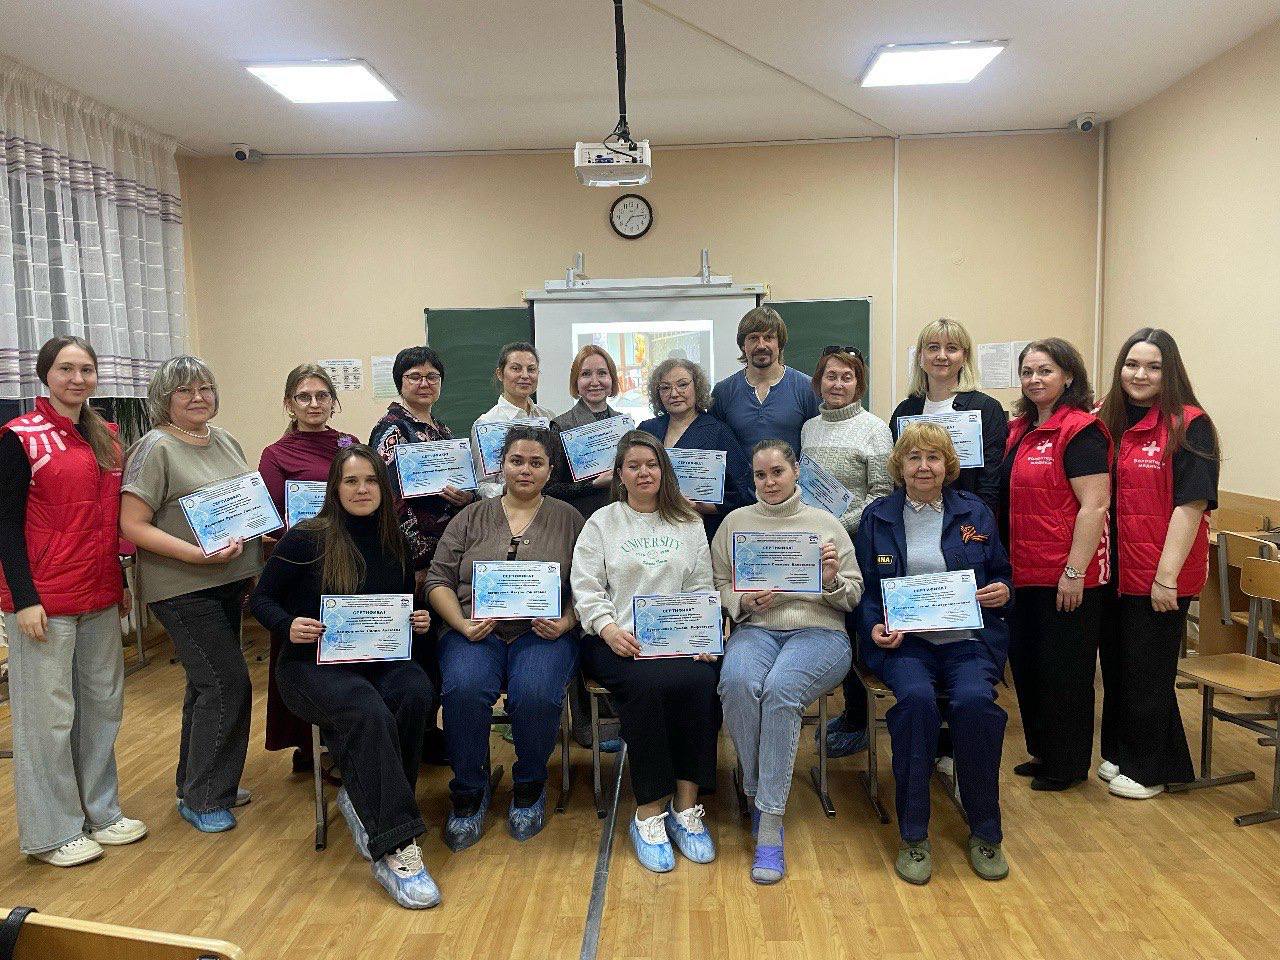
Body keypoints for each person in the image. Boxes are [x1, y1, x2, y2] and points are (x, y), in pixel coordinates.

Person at [249, 445, 441, 909]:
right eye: (351, 481)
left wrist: (417, 620)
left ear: (384, 488)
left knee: (416, 692)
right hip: (310, 666)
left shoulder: (396, 542)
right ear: (335, 488)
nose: (361, 490)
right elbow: (261, 599)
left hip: (379, 660)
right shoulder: (306, 538)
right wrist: (286, 625)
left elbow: (396, 609)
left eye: (371, 481)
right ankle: (396, 848)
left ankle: (368, 801)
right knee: (365, 707)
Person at [0, 336, 146, 867]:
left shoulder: (106, 436)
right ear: (45, 375)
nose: (77, 378)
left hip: (99, 592)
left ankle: (100, 813)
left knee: (102, 708)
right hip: (43, 600)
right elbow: (5, 524)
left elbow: (107, 520)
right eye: (65, 369)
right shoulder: (19, 437)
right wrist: (23, 598)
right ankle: (52, 832)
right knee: (48, 719)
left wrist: (119, 583)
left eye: (86, 369)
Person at [854, 423, 1013, 884]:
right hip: (907, 646)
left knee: (975, 704)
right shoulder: (878, 517)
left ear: (948, 465)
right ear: (899, 466)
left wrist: (1003, 590)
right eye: (914, 458)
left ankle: (985, 831)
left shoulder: (974, 513)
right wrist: (873, 626)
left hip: (967, 641)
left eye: (933, 458)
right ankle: (914, 835)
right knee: (917, 703)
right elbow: (866, 592)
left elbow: (1002, 573)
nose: (923, 467)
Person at [120, 356, 263, 832]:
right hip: (182, 586)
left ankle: (199, 783)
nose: (198, 397)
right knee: (227, 684)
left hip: (227, 582)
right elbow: (132, 524)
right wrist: (196, 555)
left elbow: (241, 504)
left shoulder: (223, 439)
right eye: (185, 390)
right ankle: (205, 798)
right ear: (165, 399)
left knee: (205, 685)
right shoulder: (154, 448)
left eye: (205, 388)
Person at [426, 426, 582, 849]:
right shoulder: (470, 516)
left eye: (536, 462)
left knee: (535, 693)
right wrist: (461, 624)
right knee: (464, 688)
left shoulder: (569, 519)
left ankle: (530, 786)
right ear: (502, 466)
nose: (525, 470)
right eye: (517, 461)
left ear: (550, 470)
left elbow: (590, 584)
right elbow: (438, 580)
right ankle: (468, 791)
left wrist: (566, 622)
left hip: (544, 632)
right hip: (474, 630)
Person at [713, 439, 862, 885]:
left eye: (777, 472)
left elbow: (853, 595)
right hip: (756, 629)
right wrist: (741, 601)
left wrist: (831, 582)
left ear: (796, 471)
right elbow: (717, 583)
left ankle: (770, 824)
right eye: (760, 475)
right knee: (737, 682)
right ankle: (758, 791)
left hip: (820, 632)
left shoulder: (825, 523)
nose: (769, 482)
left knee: (781, 691)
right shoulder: (735, 523)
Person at [572, 431, 719, 872]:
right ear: (619, 474)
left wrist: (702, 637)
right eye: (633, 466)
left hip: (677, 640)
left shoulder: (688, 522)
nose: (643, 473)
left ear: (663, 470)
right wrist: (607, 628)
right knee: (647, 686)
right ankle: (648, 813)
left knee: (701, 681)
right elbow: (587, 588)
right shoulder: (602, 523)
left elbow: (700, 586)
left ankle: (686, 807)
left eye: (651, 464)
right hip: (616, 640)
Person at [1096, 329, 1218, 799]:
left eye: (1153, 367)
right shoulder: (1109, 420)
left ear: (1170, 373)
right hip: (1116, 570)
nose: (1140, 375)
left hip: (1160, 573)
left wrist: (1166, 578)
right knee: (1120, 668)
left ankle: (1149, 770)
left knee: (1148, 672)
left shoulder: (1191, 425)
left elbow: (1192, 506)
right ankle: (1127, 752)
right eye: (1132, 365)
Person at [1001, 338, 1111, 792]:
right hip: (1023, 572)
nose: (1034, 379)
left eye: (1045, 371)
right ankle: (1043, 752)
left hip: (1064, 575)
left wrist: (1074, 572)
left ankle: (1067, 765)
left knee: (1065, 673)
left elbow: (1094, 506)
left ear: (1068, 376)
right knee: (1030, 669)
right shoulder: (1020, 429)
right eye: (1027, 372)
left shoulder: (1081, 430)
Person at [257, 363, 358, 773]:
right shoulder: (275, 454)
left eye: (322, 396)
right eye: (304, 396)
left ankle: (346, 737)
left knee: (345, 648)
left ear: (333, 402)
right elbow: (268, 517)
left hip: (347, 563)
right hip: (301, 565)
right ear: (289, 403)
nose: (314, 404)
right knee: (303, 647)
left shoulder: (349, 444)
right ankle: (308, 744)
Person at [800, 345, 893, 759]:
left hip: (856, 548)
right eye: (831, 376)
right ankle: (842, 712)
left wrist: (837, 528)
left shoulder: (875, 430)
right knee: (826, 626)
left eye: (847, 377)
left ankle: (858, 718)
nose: (837, 384)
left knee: (856, 631)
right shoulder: (809, 428)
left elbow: (881, 494)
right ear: (819, 381)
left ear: (859, 384)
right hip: (814, 548)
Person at [890, 319, 1008, 512]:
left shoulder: (986, 408)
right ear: (920, 356)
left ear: (964, 357)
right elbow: (898, 474)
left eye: (951, 348)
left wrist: (981, 521)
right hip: (912, 516)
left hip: (967, 519)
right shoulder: (905, 411)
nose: (942, 356)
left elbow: (990, 480)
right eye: (933, 348)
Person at [638, 357, 751, 542]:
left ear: (697, 387)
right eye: (665, 388)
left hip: (700, 531)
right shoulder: (647, 430)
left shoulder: (718, 432)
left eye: (682, 385)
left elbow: (742, 493)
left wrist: (701, 507)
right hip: (649, 531)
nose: (674, 393)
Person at [710, 306, 818, 457]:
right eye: (753, 338)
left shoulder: (807, 388)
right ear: (743, 345)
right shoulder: (723, 392)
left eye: (768, 337)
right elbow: (715, 448)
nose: (761, 345)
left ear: (780, 343)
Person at [546, 344, 625, 519]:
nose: (595, 382)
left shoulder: (624, 425)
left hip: (620, 518)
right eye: (586, 374)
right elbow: (549, 489)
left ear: (612, 379)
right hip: (579, 518)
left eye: (602, 373)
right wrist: (592, 485)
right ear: (576, 381)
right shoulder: (561, 426)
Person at [471, 341, 555, 500]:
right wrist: (510, 488)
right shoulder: (486, 424)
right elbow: (481, 486)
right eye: (516, 368)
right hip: (505, 508)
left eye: (531, 369)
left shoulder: (548, 417)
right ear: (500, 374)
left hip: (546, 505)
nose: (525, 375)